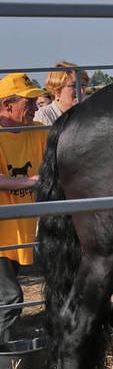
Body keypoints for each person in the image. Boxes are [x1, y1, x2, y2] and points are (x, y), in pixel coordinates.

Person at [0, 73, 48, 342]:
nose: (35, 107)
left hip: (19, 230)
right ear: (7, 105)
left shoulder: (38, 130)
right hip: (1, 232)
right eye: (28, 102)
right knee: (10, 297)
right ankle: (6, 358)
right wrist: (32, 180)